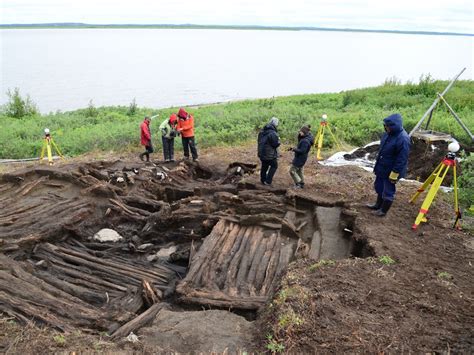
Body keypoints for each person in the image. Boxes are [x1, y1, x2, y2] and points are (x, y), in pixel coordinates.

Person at [367, 113, 410, 216]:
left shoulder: (403, 139)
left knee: (388, 191)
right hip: (382, 166)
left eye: (387, 126)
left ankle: (383, 211)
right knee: (379, 186)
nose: (385, 128)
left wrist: (395, 173)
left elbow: (402, 159)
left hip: (392, 170)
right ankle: (378, 204)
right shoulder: (387, 134)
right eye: (385, 126)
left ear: (394, 126)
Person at [257, 117, 281, 186]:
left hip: (261, 152)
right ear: (275, 124)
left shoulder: (262, 131)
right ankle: (268, 181)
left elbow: (259, 141)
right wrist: (279, 140)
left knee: (264, 166)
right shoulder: (273, 133)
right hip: (269, 154)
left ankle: (263, 179)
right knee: (274, 166)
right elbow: (275, 144)